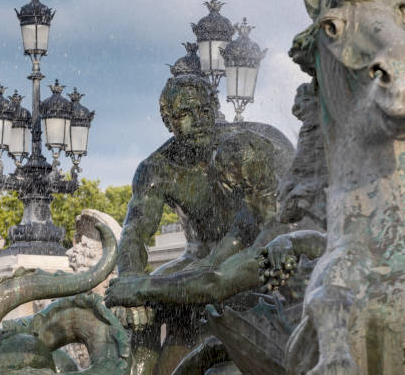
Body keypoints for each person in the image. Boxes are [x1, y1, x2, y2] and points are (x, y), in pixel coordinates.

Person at [104, 45, 295, 374]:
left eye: (204, 109)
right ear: (169, 122)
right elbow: (134, 234)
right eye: (185, 114)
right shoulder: (157, 168)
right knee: (144, 308)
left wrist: (149, 287)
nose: (198, 120)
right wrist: (131, 282)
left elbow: (230, 255)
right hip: (197, 256)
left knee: (175, 296)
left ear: (215, 107)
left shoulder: (248, 148)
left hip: (249, 252)